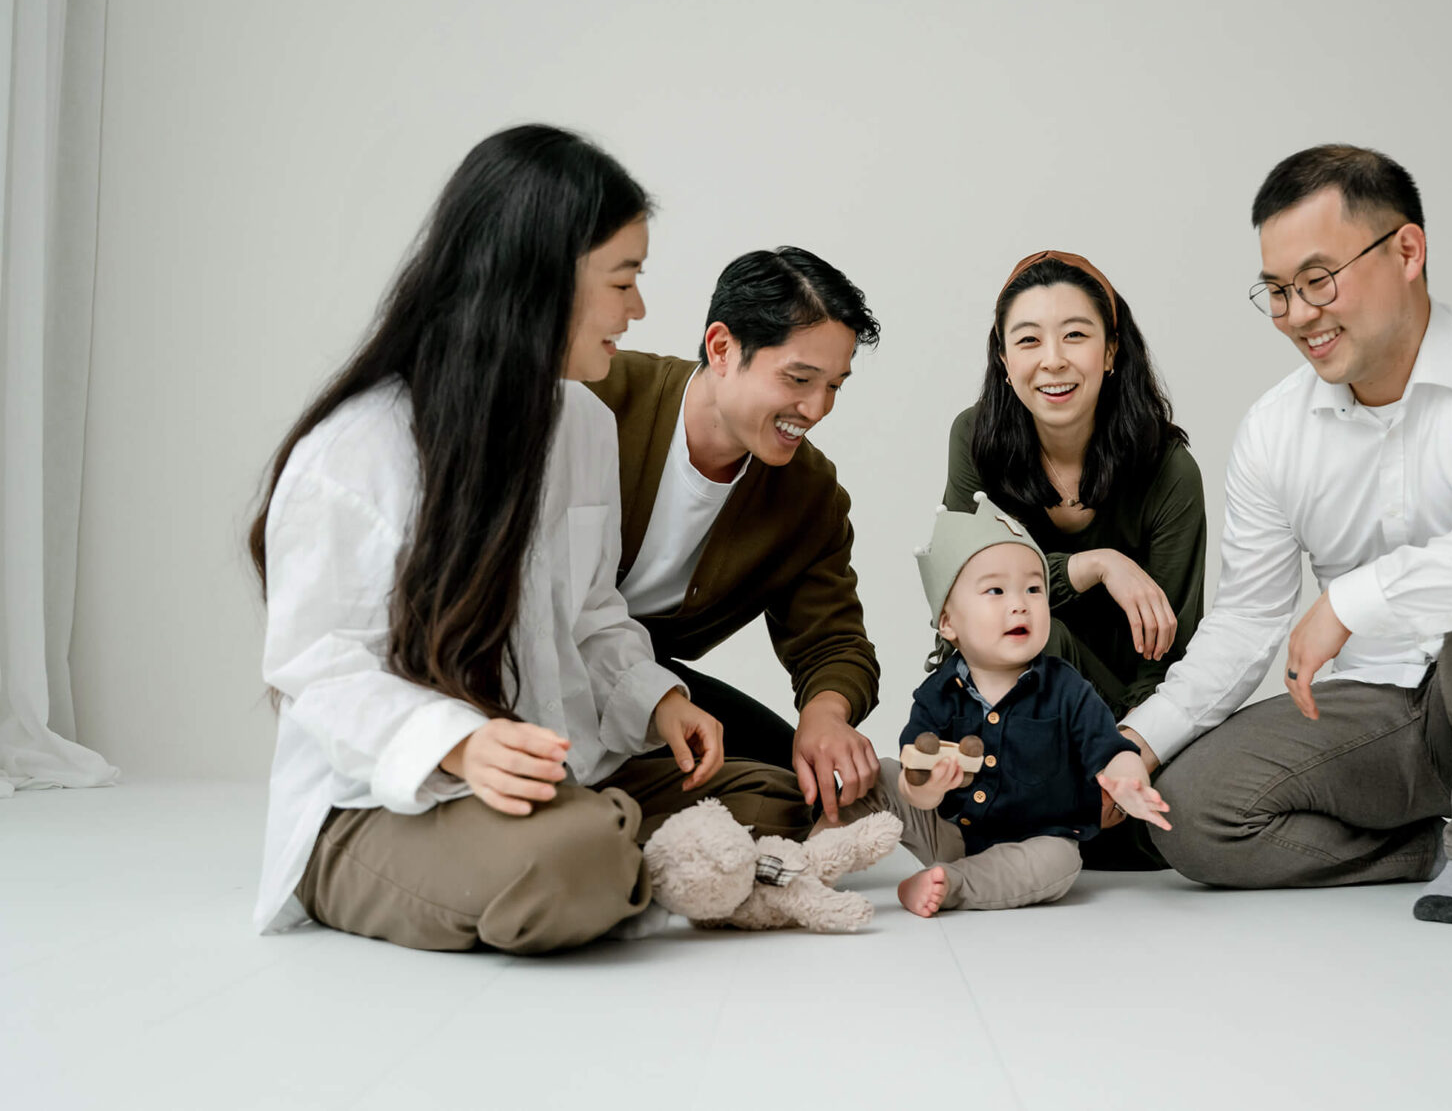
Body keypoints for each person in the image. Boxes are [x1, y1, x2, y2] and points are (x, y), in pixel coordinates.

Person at [249, 125, 809, 953]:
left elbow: (590, 614)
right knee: (571, 860)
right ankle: (613, 847)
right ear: (540, 279)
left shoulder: (581, 422)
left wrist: (659, 699)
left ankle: (612, 838)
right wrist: (462, 743)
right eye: (624, 280)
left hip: (559, 775)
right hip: (385, 802)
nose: (640, 310)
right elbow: (317, 669)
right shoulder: (356, 448)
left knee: (772, 795)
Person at [1123, 144, 1452, 924]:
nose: (1297, 315)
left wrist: (1355, 600)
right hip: (1386, 711)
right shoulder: (1274, 430)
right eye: (1277, 291)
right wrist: (1141, 740)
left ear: (1406, 250)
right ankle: (1432, 847)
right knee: (1188, 815)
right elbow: (1247, 618)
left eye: (1318, 280)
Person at [586, 247, 882, 825]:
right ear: (722, 348)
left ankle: (631, 810)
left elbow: (833, 641)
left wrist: (826, 712)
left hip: (650, 681)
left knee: (803, 792)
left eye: (835, 386)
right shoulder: (601, 398)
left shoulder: (808, 493)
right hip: (537, 664)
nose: (817, 407)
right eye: (798, 378)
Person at [943, 250, 1206, 865]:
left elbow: (1170, 653)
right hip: (1002, 708)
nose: (1053, 360)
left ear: (1112, 353)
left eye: (1076, 336)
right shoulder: (975, 441)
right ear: (1004, 361)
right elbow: (962, 597)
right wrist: (1093, 565)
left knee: (1182, 831)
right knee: (1030, 632)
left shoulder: (1168, 470)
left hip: (1124, 715)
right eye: (1028, 340)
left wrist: (1127, 750)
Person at [846, 495, 1170, 917]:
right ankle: (809, 861)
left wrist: (1128, 781)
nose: (1020, 603)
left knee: (1061, 861)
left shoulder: (1068, 689)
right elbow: (914, 785)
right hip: (948, 831)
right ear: (948, 623)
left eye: (1034, 589)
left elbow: (1109, 749)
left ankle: (955, 884)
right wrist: (929, 786)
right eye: (995, 590)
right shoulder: (937, 695)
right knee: (882, 774)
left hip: (1028, 845)